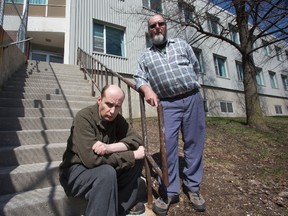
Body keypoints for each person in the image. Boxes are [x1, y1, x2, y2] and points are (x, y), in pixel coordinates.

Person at [134, 14, 206, 215]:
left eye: (160, 24)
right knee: (167, 147)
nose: (157, 28)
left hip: (192, 98)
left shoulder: (181, 45)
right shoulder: (145, 56)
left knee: (194, 143)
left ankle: (193, 188)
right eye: (153, 25)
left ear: (166, 26)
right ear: (149, 31)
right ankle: (169, 190)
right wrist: (147, 90)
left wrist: (190, 86)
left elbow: (195, 67)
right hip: (167, 104)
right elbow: (139, 77)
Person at [59, 84, 146, 216]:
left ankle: (118, 206)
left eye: (117, 106)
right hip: (75, 171)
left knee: (137, 161)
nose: (112, 111)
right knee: (107, 173)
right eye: (109, 104)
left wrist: (111, 147)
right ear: (99, 100)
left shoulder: (115, 118)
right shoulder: (84, 118)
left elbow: (136, 139)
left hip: (101, 167)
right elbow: (91, 160)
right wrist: (132, 155)